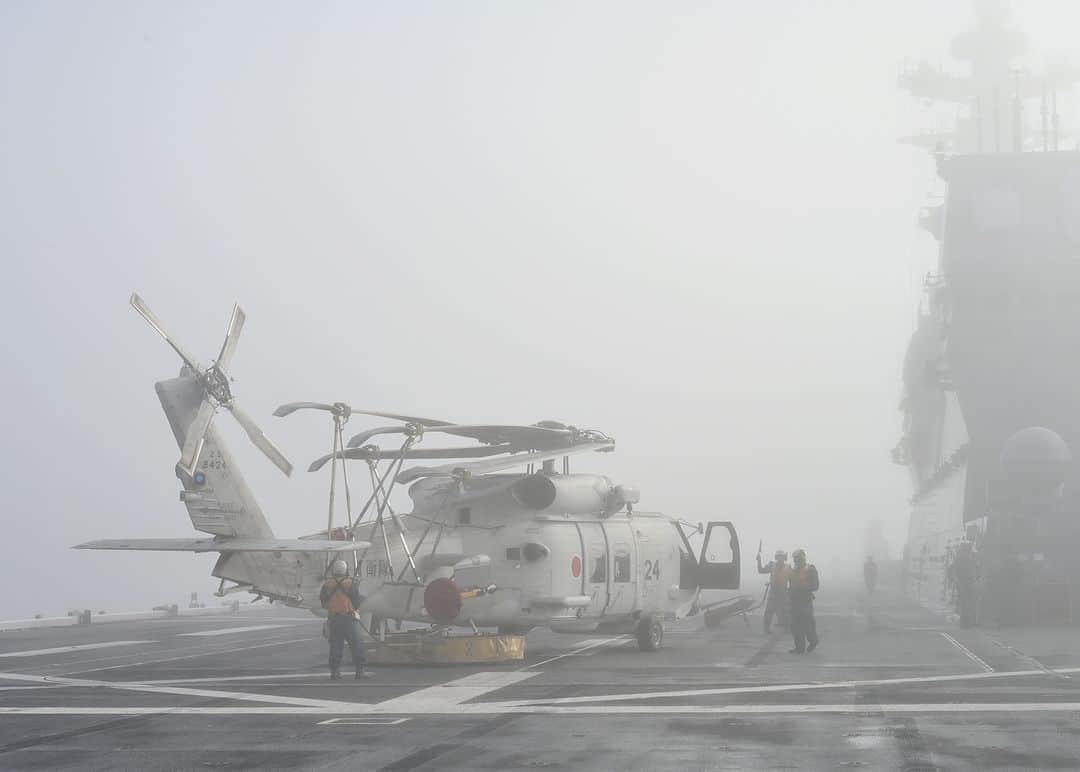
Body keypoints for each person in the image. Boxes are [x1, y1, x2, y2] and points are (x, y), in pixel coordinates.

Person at [319, 560, 374, 680]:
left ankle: (335, 672)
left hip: (334, 619)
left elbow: (323, 601)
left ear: (334, 571)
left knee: (335, 646)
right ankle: (360, 672)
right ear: (345, 570)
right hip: (348, 619)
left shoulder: (327, 584)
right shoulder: (350, 583)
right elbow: (357, 601)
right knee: (356, 645)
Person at [787, 548, 820, 654]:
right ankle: (799, 647)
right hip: (794, 601)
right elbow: (790, 584)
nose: (797, 560)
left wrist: (803, 588)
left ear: (803, 558)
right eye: (795, 558)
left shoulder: (810, 569)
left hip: (805, 600)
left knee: (808, 623)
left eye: (799, 558)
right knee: (795, 625)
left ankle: (813, 640)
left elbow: (815, 585)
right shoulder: (791, 570)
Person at [756, 549, 791, 634]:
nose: (780, 559)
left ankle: (787, 628)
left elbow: (792, 579)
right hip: (774, 592)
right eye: (778, 557)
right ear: (776, 558)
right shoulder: (772, 565)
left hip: (783, 591)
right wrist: (759, 560)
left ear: (784, 558)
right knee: (769, 610)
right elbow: (761, 570)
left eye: (781, 557)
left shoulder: (788, 567)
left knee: (786, 611)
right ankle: (766, 629)